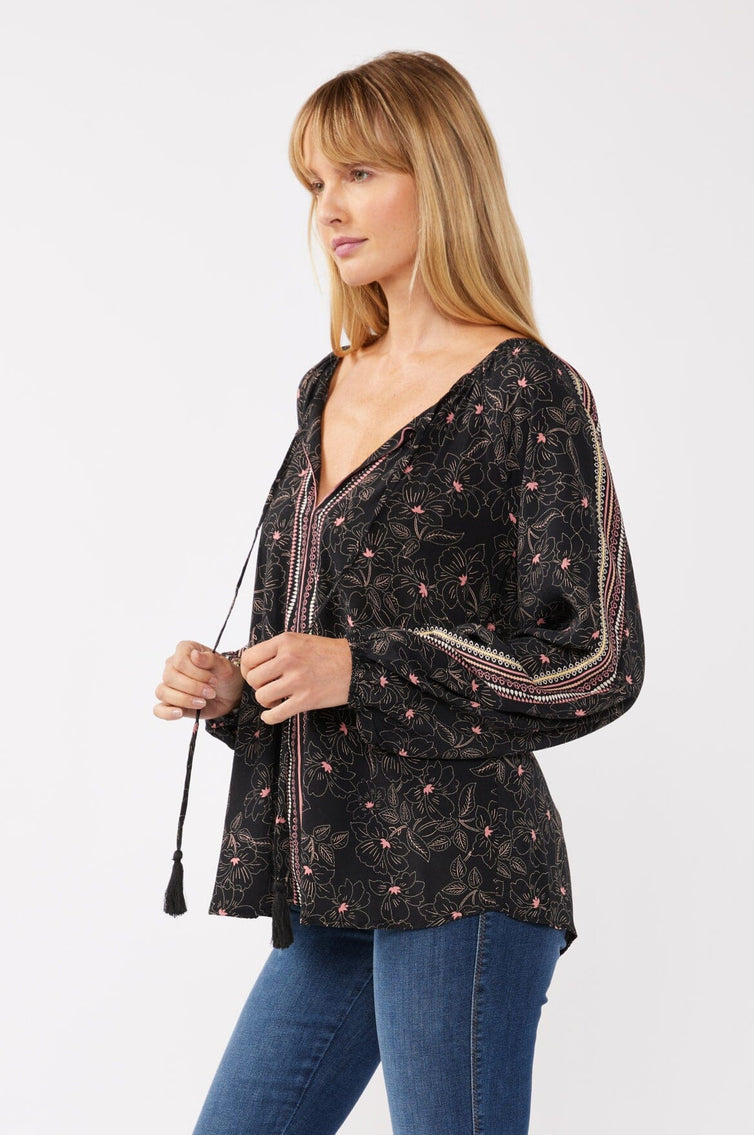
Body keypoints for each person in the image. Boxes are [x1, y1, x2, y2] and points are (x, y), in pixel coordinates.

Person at [153, 50, 645, 1135]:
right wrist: (240, 685)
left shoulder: (528, 389)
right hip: (333, 874)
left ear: (443, 174)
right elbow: (323, 644)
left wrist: (359, 668)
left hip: (463, 868)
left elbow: (598, 656)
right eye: (315, 183)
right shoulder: (327, 383)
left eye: (360, 174)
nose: (329, 208)